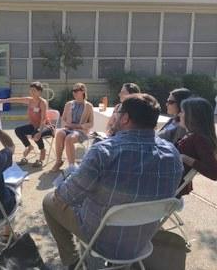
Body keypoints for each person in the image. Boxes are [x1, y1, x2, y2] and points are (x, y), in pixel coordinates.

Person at [42, 94, 183, 269]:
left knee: (49, 200)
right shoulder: (173, 154)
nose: (114, 116)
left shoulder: (104, 151)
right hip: (141, 239)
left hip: (100, 238)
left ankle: (72, 262)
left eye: (118, 112)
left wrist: (69, 179)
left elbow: (66, 195)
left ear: (125, 118)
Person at [0, 82, 52, 167]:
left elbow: (43, 119)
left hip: (45, 126)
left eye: (34, 91)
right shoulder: (29, 100)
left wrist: (40, 132)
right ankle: (29, 146)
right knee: (18, 130)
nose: (32, 92)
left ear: (40, 92)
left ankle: (42, 152)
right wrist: (3, 101)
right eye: (31, 90)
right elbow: (16, 99)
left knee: (35, 134)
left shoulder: (42, 102)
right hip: (33, 126)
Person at [176, 97, 217, 196]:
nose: (179, 114)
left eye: (182, 111)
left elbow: (214, 172)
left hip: (170, 186)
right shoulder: (193, 136)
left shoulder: (199, 139)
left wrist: (184, 158)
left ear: (193, 116)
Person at [51, 83, 94, 172]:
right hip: (68, 129)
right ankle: (59, 161)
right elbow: (63, 119)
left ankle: (71, 166)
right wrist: (67, 125)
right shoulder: (69, 104)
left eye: (76, 91)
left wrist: (79, 126)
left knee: (69, 138)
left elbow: (91, 123)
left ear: (83, 91)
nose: (73, 93)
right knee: (59, 133)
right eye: (73, 91)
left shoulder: (88, 106)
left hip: (81, 131)